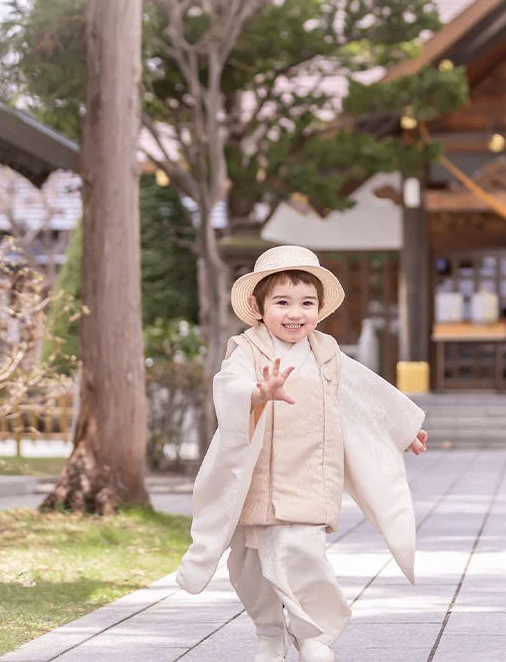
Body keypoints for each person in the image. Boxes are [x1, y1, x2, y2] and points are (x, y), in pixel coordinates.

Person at [175, 245, 428, 662]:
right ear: (257, 307)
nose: (295, 313)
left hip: (310, 478)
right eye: (282, 303)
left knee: (304, 556)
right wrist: (259, 391)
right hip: (254, 485)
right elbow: (228, 387)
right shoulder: (247, 350)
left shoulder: (326, 354)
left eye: (306, 303)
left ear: (321, 307)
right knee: (249, 570)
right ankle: (270, 632)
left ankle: (314, 637)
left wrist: (402, 429)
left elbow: (365, 396)